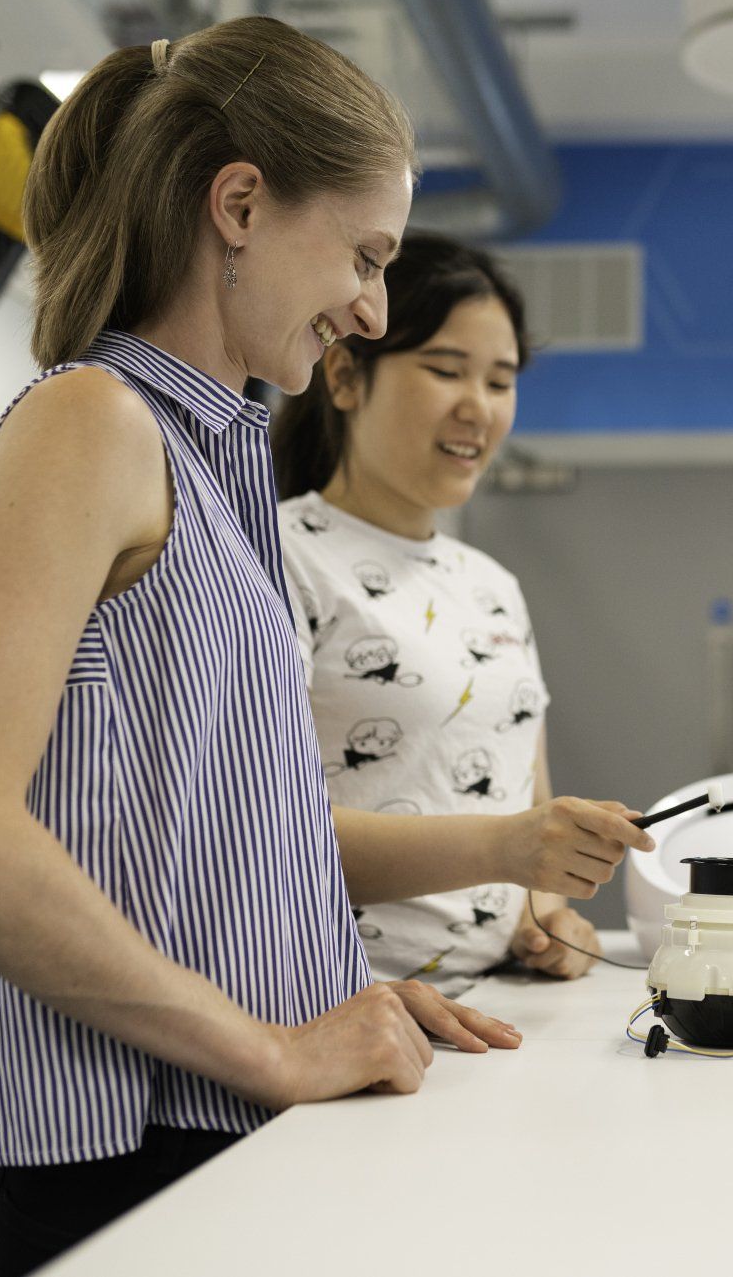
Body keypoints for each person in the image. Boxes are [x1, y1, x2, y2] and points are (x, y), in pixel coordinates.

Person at [0, 20, 652, 1275]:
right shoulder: (93, 421)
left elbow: (211, 835)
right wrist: (275, 1046)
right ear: (238, 204)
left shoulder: (211, 455)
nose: (372, 305)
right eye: (363, 252)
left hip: (220, 1118)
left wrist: (324, 992)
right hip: (135, 1150)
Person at [272, 234, 609, 994]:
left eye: (500, 380)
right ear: (347, 375)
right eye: (445, 369)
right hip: (346, 1007)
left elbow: (528, 798)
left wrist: (549, 916)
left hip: (494, 1004)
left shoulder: (493, 585)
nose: (477, 407)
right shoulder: (280, 554)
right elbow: (267, 827)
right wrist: (505, 847)